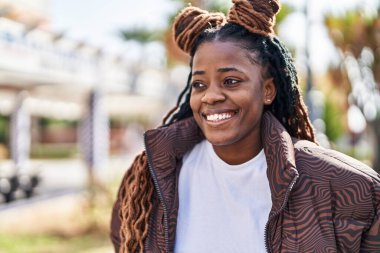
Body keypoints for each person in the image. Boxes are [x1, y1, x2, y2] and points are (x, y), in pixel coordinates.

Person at [110, 0, 380, 252]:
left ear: (268, 90)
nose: (210, 96)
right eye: (199, 84)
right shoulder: (148, 179)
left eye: (230, 81)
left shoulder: (346, 187)